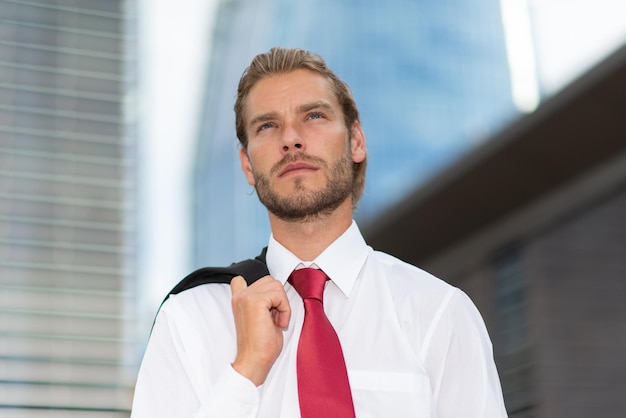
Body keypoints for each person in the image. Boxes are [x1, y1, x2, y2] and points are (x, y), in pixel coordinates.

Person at [131, 47, 508, 418]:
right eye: (267, 125)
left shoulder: (439, 313)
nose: (291, 139)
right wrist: (244, 373)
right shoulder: (189, 321)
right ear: (247, 164)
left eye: (313, 116)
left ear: (356, 141)